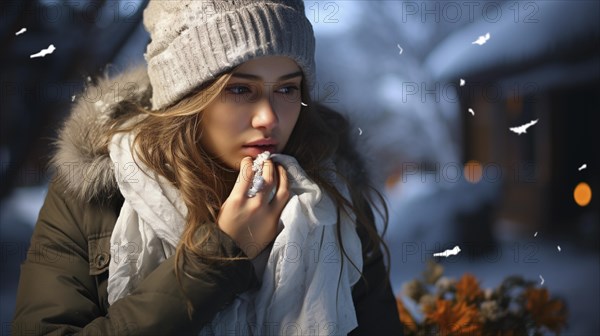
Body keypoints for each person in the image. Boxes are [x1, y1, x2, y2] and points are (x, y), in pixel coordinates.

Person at [13, 1, 403, 335]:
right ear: (187, 95)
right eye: (239, 89)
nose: (269, 117)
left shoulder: (330, 194)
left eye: (286, 88)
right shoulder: (98, 189)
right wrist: (219, 259)